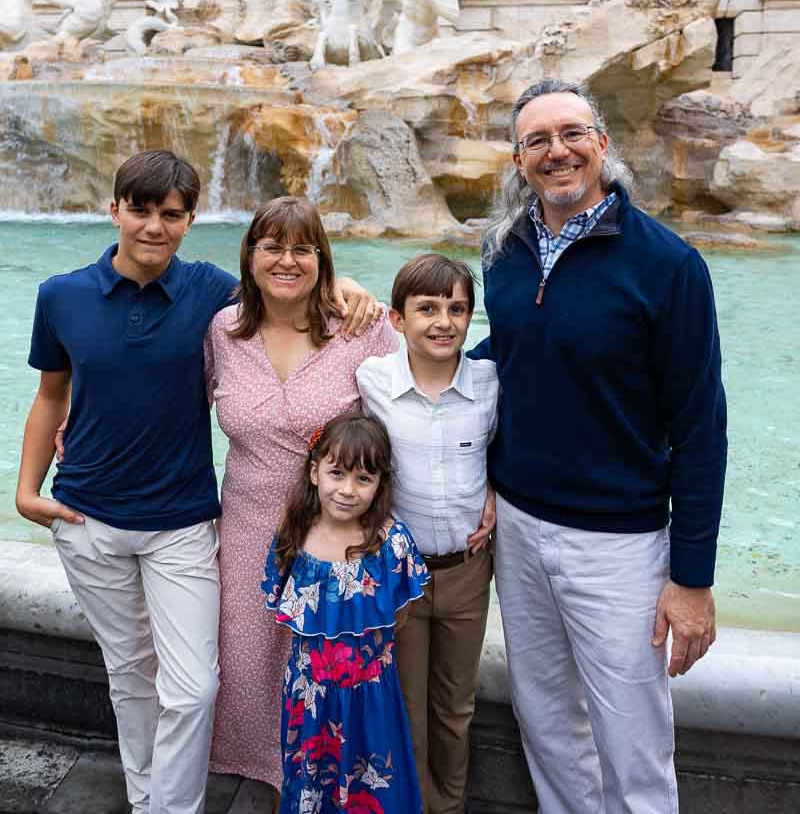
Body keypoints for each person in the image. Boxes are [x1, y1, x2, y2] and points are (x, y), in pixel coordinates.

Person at [15, 150, 379, 814]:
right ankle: (148, 799)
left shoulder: (213, 293)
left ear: (189, 221)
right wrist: (26, 490)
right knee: (130, 677)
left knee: (193, 688)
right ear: (115, 210)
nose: (156, 225)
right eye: (142, 209)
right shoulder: (59, 295)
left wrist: (345, 280)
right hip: (85, 518)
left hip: (182, 521)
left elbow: (286, 279)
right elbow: (49, 396)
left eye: (173, 214)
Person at [473, 78, 727, 813]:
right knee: (547, 725)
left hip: (619, 545)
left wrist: (693, 578)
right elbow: (511, 359)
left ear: (602, 144)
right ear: (518, 160)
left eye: (572, 134)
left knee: (633, 746)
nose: (557, 152)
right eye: (538, 140)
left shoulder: (669, 266)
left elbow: (701, 429)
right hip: (519, 530)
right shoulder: (503, 253)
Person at [205, 196, 398, 804]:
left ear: (322, 259)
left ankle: (323, 784)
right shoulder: (223, 330)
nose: (286, 261)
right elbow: (169, 403)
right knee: (247, 664)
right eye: (272, 247)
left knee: (330, 673)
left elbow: (417, 415)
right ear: (250, 255)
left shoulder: (361, 329)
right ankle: (264, 782)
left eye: (302, 249)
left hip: (335, 533)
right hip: (244, 527)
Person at [356, 253, 499, 814]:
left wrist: (497, 496)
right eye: (427, 309)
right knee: (406, 704)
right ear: (397, 319)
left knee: (455, 707)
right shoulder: (371, 381)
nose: (443, 321)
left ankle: (450, 806)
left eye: (458, 309)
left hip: (466, 570)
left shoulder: (489, 384)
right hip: (398, 575)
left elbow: (508, 452)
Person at [263, 412, 429, 813]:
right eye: (337, 473)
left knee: (372, 792)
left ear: (379, 485)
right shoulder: (294, 535)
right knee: (310, 787)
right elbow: (281, 608)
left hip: (372, 699)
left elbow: (398, 618)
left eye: (363, 479)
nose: (348, 490)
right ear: (315, 471)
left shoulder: (392, 544)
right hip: (310, 701)